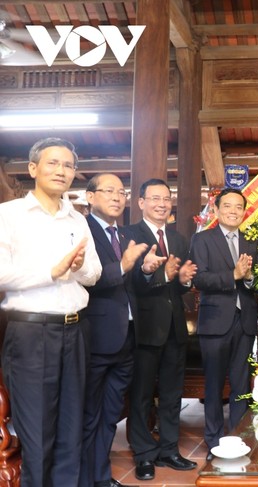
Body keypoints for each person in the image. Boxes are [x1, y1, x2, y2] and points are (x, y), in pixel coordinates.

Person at [0, 137, 102, 487]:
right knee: (37, 432)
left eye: (69, 165)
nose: (62, 171)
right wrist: (52, 271)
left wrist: (75, 268)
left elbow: (94, 273)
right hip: (31, 335)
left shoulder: (77, 217)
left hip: (75, 331)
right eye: (53, 163)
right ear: (33, 169)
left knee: (71, 429)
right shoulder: (9, 215)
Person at [81, 173, 164, 487]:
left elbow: (129, 285)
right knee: (90, 414)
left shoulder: (120, 233)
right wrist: (125, 265)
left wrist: (143, 270)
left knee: (111, 414)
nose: (117, 197)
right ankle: (86, 477)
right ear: (91, 197)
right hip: (96, 338)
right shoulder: (83, 231)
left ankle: (101, 477)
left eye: (121, 192)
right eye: (109, 191)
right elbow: (87, 280)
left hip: (127, 337)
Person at [124, 178, 198, 481]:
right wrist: (159, 275)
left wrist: (182, 281)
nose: (162, 203)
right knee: (140, 394)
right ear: (140, 202)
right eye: (154, 198)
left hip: (175, 329)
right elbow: (130, 284)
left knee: (171, 394)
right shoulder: (130, 236)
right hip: (143, 327)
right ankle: (143, 454)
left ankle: (169, 449)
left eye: (166, 198)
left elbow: (176, 288)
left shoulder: (179, 238)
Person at [188, 188, 258, 460]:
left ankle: (239, 439)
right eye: (227, 206)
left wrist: (250, 277)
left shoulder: (251, 241)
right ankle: (215, 443)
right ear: (216, 211)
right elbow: (200, 280)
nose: (233, 211)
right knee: (214, 386)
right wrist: (233, 274)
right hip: (215, 323)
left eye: (238, 207)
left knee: (242, 385)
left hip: (244, 323)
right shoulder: (203, 240)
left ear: (244, 212)